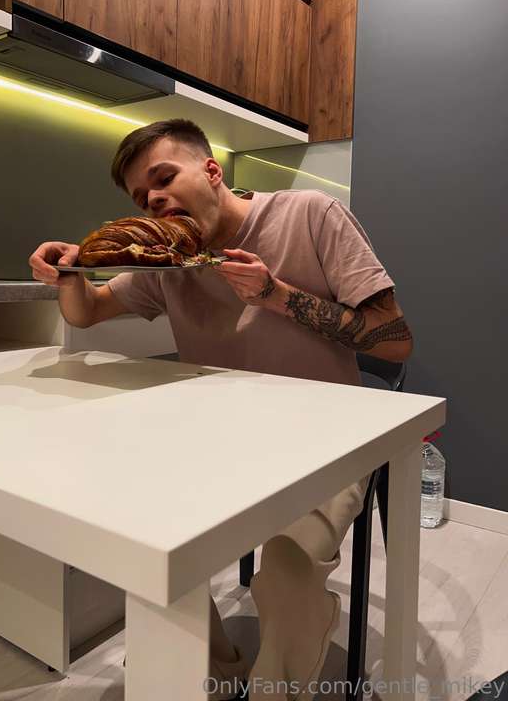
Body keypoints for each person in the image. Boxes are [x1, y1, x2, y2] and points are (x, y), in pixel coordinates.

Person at [30, 118, 413, 701]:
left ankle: (275, 689)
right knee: (138, 531)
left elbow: (395, 341)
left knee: (289, 563)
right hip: (215, 442)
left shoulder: (311, 215)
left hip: (328, 439)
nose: (154, 201)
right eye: (141, 197)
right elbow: (89, 310)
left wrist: (275, 295)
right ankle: (211, 671)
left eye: (164, 179)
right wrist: (69, 274)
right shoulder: (170, 259)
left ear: (212, 170)